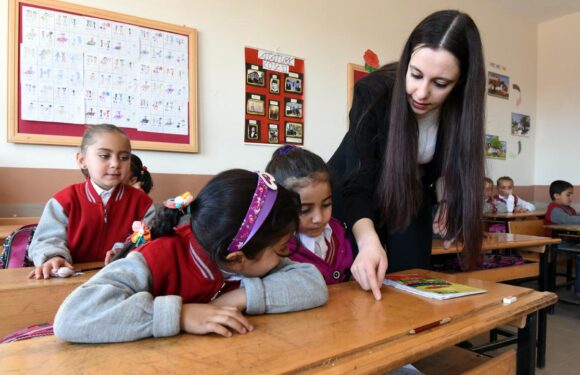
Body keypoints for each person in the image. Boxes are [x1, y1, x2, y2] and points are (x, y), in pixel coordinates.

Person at [53, 170, 328, 343]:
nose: (286, 256)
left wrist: (240, 297)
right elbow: (72, 318)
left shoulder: (245, 256)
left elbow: (313, 284)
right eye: (282, 249)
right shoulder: (157, 257)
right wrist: (181, 315)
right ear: (235, 258)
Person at [328, 10, 486, 299]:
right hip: (354, 194)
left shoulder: (461, 113)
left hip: (409, 194)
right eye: (415, 75)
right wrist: (367, 240)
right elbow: (358, 180)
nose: (421, 93)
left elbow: (447, 164)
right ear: (406, 62)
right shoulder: (373, 93)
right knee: (359, 282)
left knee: (415, 280)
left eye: (440, 84)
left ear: (461, 83)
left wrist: (448, 197)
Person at [28, 124, 155, 279]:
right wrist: (53, 257)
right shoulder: (64, 201)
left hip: (122, 278)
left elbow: (153, 243)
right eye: (104, 156)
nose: (115, 164)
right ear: (82, 160)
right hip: (70, 279)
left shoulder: (143, 204)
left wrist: (126, 250)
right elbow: (47, 240)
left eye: (124, 157)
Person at [265, 145, 353, 284]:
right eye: (304, 210)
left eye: (326, 204)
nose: (319, 218)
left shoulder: (340, 231)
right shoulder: (275, 250)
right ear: (278, 206)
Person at [544, 180, 580, 298]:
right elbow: (567, 220)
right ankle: (579, 289)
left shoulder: (569, 209)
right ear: (556, 196)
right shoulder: (554, 209)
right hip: (555, 244)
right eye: (568, 194)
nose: (571, 198)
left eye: (571, 195)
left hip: (567, 242)